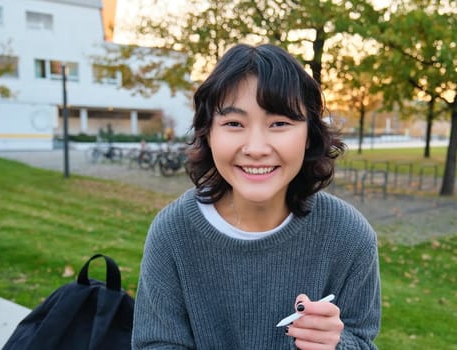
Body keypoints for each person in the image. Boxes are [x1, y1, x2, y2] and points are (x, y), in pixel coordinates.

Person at [133, 43, 381, 349]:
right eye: (234, 124)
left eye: (279, 123)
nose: (256, 148)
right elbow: (155, 343)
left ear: (309, 135)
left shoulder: (349, 236)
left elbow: (361, 339)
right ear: (208, 133)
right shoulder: (172, 233)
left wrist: (335, 344)